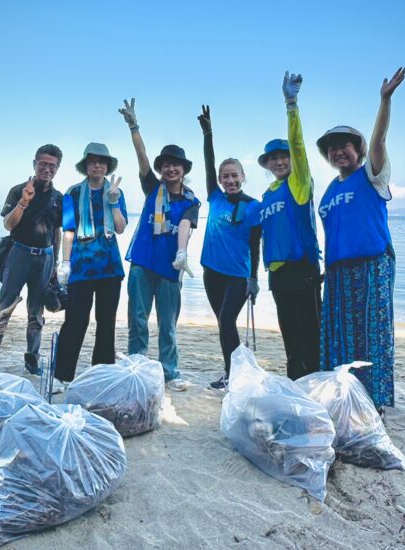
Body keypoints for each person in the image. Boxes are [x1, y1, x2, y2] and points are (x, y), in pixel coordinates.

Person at [316, 67, 405, 415]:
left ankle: (374, 402)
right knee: (339, 336)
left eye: (345, 147)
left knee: (372, 335)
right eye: (333, 149)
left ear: (358, 150)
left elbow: (380, 141)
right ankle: (344, 398)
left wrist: (384, 100)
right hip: (338, 272)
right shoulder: (331, 189)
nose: (339, 152)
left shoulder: (371, 175)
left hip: (372, 265)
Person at [118, 98, 201, 391]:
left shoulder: (193, 201)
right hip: (142, 261)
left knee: (168, 324)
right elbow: (141, 155)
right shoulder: (152, 188)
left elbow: (186, 226)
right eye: (166, 165)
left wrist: (182, 253)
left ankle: (170, 371)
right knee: (137, 319)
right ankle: (137, 365)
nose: (171, 169)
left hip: (170, 267)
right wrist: (134, 126)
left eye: (176, 165)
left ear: (183, 169)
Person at [258, 72, 322, 381]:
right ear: (267, 164)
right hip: (278, 274)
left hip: (303, 271)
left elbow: (298, 147)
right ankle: (297, 387)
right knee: (291, 340)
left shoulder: (298, 184)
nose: (280, 162)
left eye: (284, 157)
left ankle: (315, 389)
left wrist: (291, 104)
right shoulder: (265, 195)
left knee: (310, 337)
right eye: (273, 159)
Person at [52, 143, 128, 391]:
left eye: (102, 161)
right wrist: (64, 263)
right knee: (75, 321)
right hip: (81, 268)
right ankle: (63, 376)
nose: (98, 165)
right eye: (93, 161)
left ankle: (101, 375)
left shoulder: (115, 191)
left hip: (110, 268)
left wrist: (114, 202)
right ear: (86, 165)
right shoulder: (72, 193)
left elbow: (120, 228)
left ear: (108, 166)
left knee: (106, 322)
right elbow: (69, 231)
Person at [197, 105, 262, 390]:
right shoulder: (215, 197)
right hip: (212, 272)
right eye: (226, 176)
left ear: (243, 177)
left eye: (235, 176)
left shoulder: (254, 206)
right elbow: (208, 163)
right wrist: (208, 133)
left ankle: (234, 375)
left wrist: (254, 279)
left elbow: (255, 244)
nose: (230, 180)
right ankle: (230, 373)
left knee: (226, 321)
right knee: (224, 325)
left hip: (237, 276)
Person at [0, 144, 64, 373]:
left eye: (52, 166)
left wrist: (56, 264)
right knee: (4, 308)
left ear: (58, 168)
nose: (47, 169)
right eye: (43, 164)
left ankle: (32, 361)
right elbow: (8, 224)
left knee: (36, 313)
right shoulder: (18, 190)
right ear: (34, 164)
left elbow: (57, 232)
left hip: (46, 258)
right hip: (18, 253)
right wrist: (24, 201)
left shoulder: (58, 198)